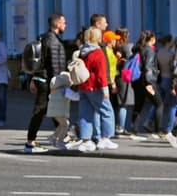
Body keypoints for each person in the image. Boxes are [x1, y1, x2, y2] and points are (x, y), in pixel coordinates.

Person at [24, 13, 68, 152]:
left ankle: (64, 137)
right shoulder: (53, 41)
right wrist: (58, 82)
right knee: (40, 110)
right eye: (63, 22)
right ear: (57, 24)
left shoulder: (46, 38)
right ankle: (30, 142)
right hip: (48, 81)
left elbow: (41, 61)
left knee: (54, 109)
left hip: (43, 79)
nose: (65, 25)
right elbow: (54, 64)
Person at [75, 26, 117, 151]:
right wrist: (105, 90)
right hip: (95, 87)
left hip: (83, 86)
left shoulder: (83, 51)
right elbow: (101, 74)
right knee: (107, 111)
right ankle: (105, 138)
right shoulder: (98, 52)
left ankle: (86, 140)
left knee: (85, 113)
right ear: (98, 37)